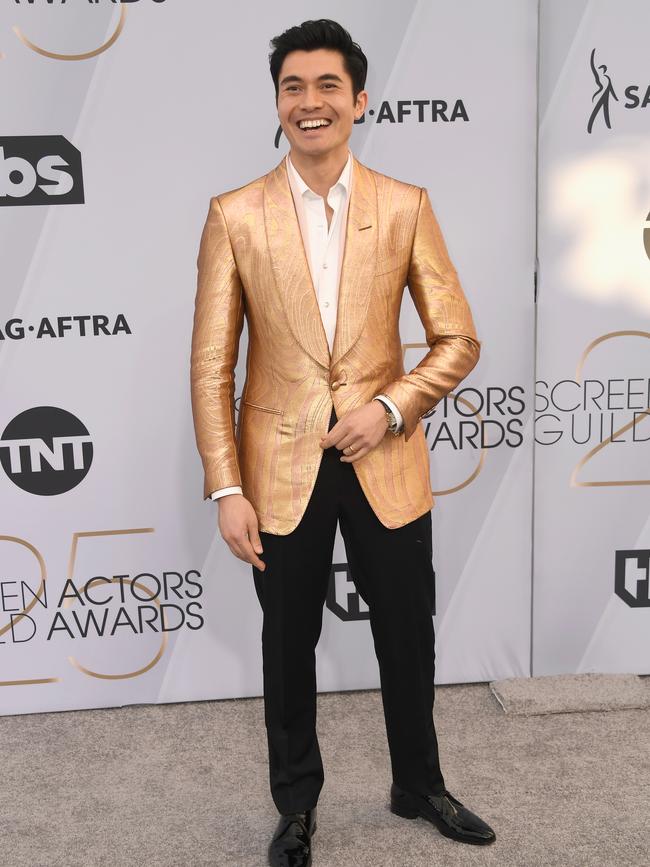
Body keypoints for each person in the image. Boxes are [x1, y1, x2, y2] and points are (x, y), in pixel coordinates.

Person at [190, 18, 496, 866]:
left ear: (359, 100)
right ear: (279, 103)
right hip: (276, 465)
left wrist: (391, 409)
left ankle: (419, 783)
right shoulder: (235, 215)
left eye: (329, 86)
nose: (311, 102)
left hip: (384, 455)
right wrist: (227, 487)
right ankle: (295, 807)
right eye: (294, 87)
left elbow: (458, 340)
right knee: (286, 643)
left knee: (408, 630)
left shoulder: (406, 206)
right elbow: (213, 365)